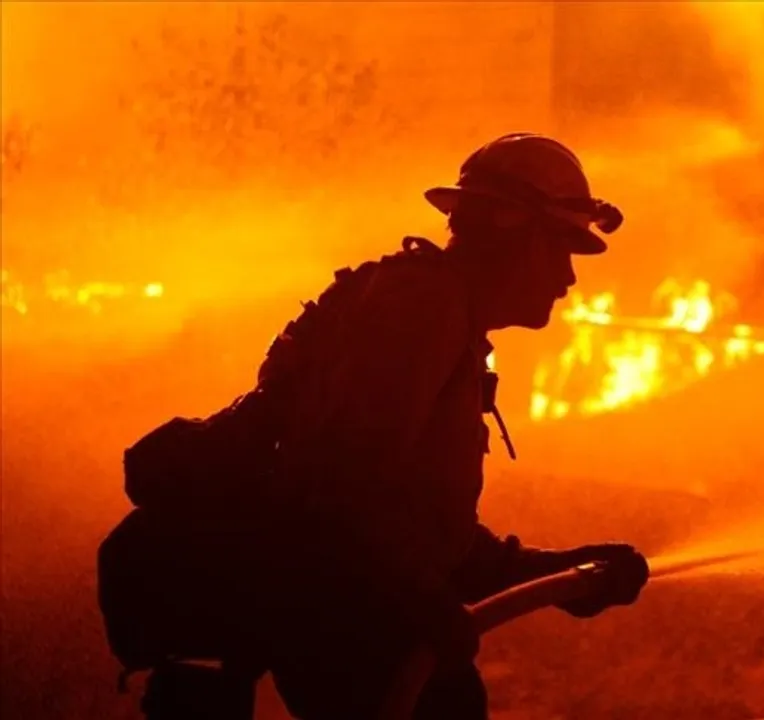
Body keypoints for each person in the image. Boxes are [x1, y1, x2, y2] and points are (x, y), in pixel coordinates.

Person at [97, 133, 650, 720]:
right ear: (510, 232)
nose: (568, 278)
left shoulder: (442, 319)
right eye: (561, 248)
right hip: (340, 624)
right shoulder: (420, 312)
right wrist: (427, 606)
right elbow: (338, 496)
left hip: (349, 617)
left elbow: (426, 536)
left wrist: (560, 574)